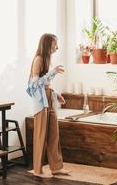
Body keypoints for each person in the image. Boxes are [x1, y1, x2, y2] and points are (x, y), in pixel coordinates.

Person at [26, 33, 70, 178]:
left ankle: (56, 168)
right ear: (47, 44)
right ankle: (38, 169)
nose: (57, 47)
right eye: (54, 44)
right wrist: (53, 72)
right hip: (41, 103)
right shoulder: (38, 59)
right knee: (40, 136)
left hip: (50, 98)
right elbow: (34, 84)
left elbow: (47, 84)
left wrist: (57, 95)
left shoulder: (48, 59)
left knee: (53, 134)